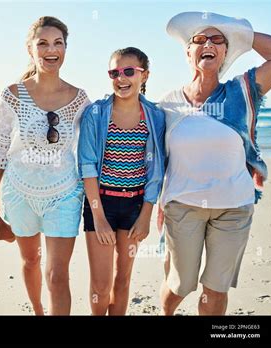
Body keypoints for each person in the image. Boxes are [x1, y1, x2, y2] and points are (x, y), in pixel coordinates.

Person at [157, 12, 271, 315]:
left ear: (225, 52)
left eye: (217, 40)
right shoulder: (166, 105)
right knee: (180, 285)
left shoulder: (241, 91)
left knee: (215, 289)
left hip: (234, 208)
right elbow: (154, 158)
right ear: (188, 52)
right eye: (198, 39)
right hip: (182, 206)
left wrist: (241, 35)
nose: (207, 43)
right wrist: (155, 203)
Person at [0, 16, 90, 315]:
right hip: (19, 192)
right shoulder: (12, 95)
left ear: (66, 49)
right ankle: (38, 310)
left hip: (64, 194)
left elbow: (88, 150)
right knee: (31, 260)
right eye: (42, 43)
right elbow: (0, 148)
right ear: (30, 49)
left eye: (58, 43)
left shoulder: (79, 99)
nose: (50, 49)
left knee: (57, 274)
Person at [78, 47, 165, 315]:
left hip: (135, 206)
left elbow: (156, 172)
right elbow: (87, 166)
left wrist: (146, 215)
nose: (121, 78)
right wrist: (99, 216)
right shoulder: (96, 114)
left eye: (129, 71)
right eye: (114, 72)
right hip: (101, 203)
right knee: (100, 286)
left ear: (145, 76)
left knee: (123, 279)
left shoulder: (155, 116)